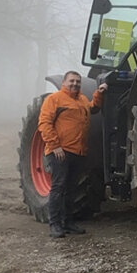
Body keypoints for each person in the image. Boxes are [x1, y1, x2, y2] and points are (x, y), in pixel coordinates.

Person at [37, 71, 108, 239]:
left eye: (77, 81)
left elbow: (93, 108)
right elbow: (45, 123)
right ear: (64, 82)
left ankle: (68, 222)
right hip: (60, 152)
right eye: (71, 81)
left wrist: (99, 93)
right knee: (58, 187)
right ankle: (55, 224)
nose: (75, 84)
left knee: (71, 189)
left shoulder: (82, 100)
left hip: (78, 152)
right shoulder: (54, 99)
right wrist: (55, 146)